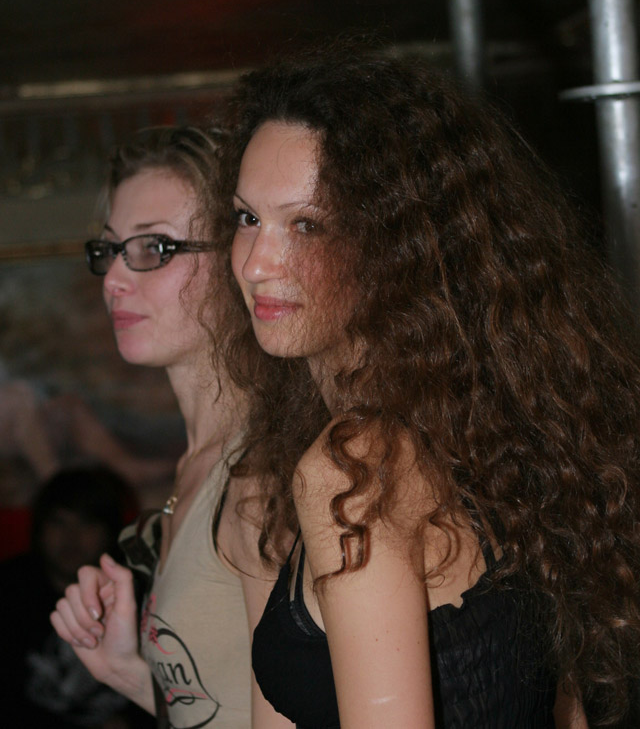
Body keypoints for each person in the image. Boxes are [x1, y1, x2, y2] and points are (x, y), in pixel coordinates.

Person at [211, 45, 640, 728]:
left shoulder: (356, 466)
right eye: (247, 218)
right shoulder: (487, 427)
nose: (258, 262)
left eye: (306, 225)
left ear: (393, 247)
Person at [50, 127, 295, 728]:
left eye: (154, 248)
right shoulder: (198, 466)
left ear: (239, 258)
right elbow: (225, 707)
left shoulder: (260, 475)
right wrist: (129, 673)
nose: (113, 279)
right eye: (110, 249)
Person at [0, 464, 151, 728]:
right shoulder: (9, 589)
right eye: (58, 522)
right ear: (39, 528)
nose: (71, 537)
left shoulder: (137, 592)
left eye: (87, 523)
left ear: (109, 531)